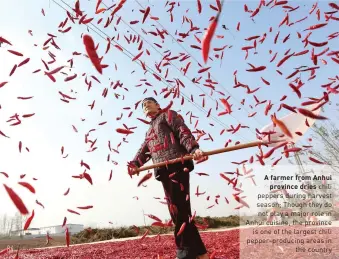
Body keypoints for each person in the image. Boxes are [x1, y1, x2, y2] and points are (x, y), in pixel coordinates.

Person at [128, 97, 210, 259]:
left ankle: (184, 252)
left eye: (149, 103)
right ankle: (201, 254)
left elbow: (182, 131)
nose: (146, 106)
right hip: (164, 170)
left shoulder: (168, 115)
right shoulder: (150, 130)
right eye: (143, 105)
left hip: (176, 165)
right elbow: (145, 149)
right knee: (181, 212)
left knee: (178, 211)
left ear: (158, 105)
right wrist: (135, 163)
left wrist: (193, 148)